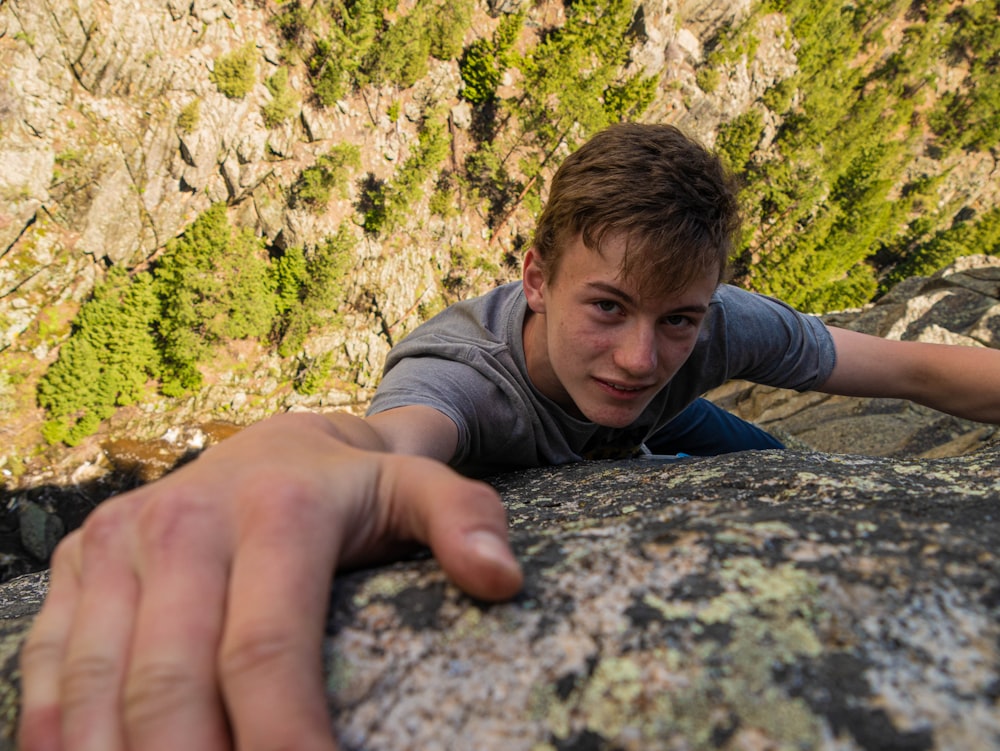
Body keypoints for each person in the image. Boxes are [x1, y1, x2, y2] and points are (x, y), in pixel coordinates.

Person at [18, 123, 1000, 751]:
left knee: (787, 476)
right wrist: (276, 467)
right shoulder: (463, 380)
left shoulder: (719, 324)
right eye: (605, 306)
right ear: (534, 278)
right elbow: (386, 441)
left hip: (667, 432)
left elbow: (914, 368)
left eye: (676, 320)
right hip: (556, 440)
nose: (636, 354)